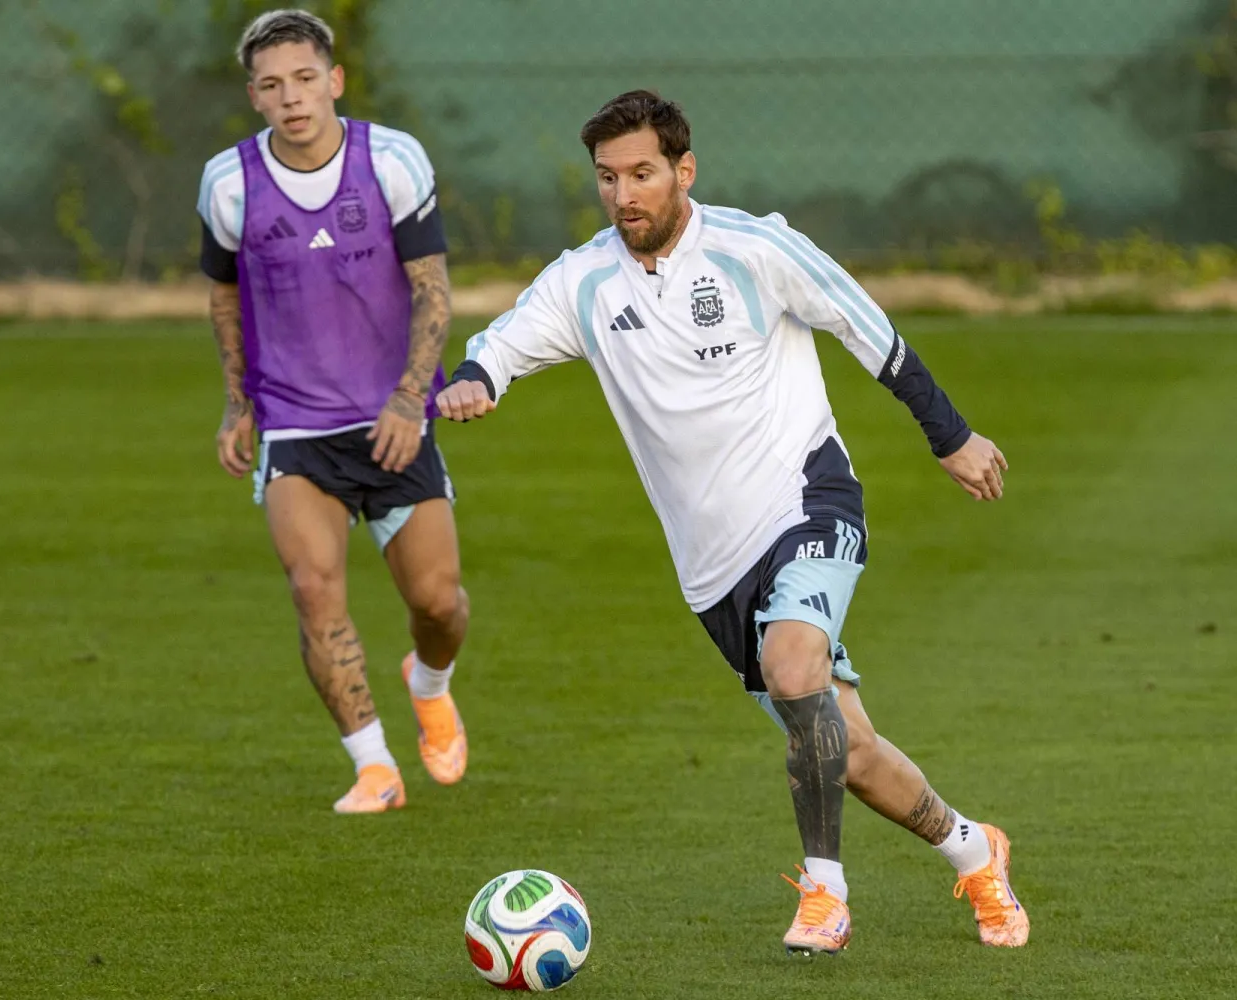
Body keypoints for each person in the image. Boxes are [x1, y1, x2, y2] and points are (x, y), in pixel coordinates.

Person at [436, 90, 1028, 954]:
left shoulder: (756, 248)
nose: (623, 194)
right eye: (607, 178)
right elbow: (503, 343)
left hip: (807, 502)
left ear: (684, 171)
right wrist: (476, 378)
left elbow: (871, 331)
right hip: (713, 569)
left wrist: (952, 435)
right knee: (847, 750)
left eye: (641, 174)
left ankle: (824, 896)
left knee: (795, 671)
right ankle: (975, 850)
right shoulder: (585, 281)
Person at [196, 10, 468, 815]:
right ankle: (375, 767)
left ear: (335, 81)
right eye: (273, 85)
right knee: (314, 588)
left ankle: (429, 681)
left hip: (392, 420)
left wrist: (408, 400)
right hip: (295, 426)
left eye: (306, 79)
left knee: (438, 604)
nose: (292, 97)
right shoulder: (227, 183)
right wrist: (238, 402)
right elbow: (222, 295)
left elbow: (433, 290)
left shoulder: (390, 159)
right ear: (254, 96)